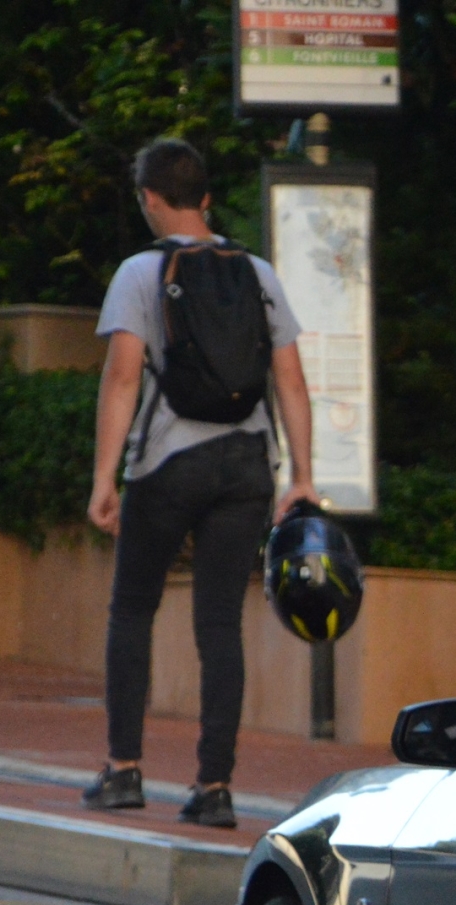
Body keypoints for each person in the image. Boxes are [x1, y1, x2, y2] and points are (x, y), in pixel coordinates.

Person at [84, 137, 315, 830]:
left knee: (132, 609)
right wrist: (300, 476)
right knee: (220, 623)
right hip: (247, 464)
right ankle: (214, 785)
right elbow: (291, 381)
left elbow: (124, 375)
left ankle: (124, 770)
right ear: (207, 198)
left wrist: (105, 477)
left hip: (168, 462)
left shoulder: (139, 273)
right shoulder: (258, 272)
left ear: (151, 198)